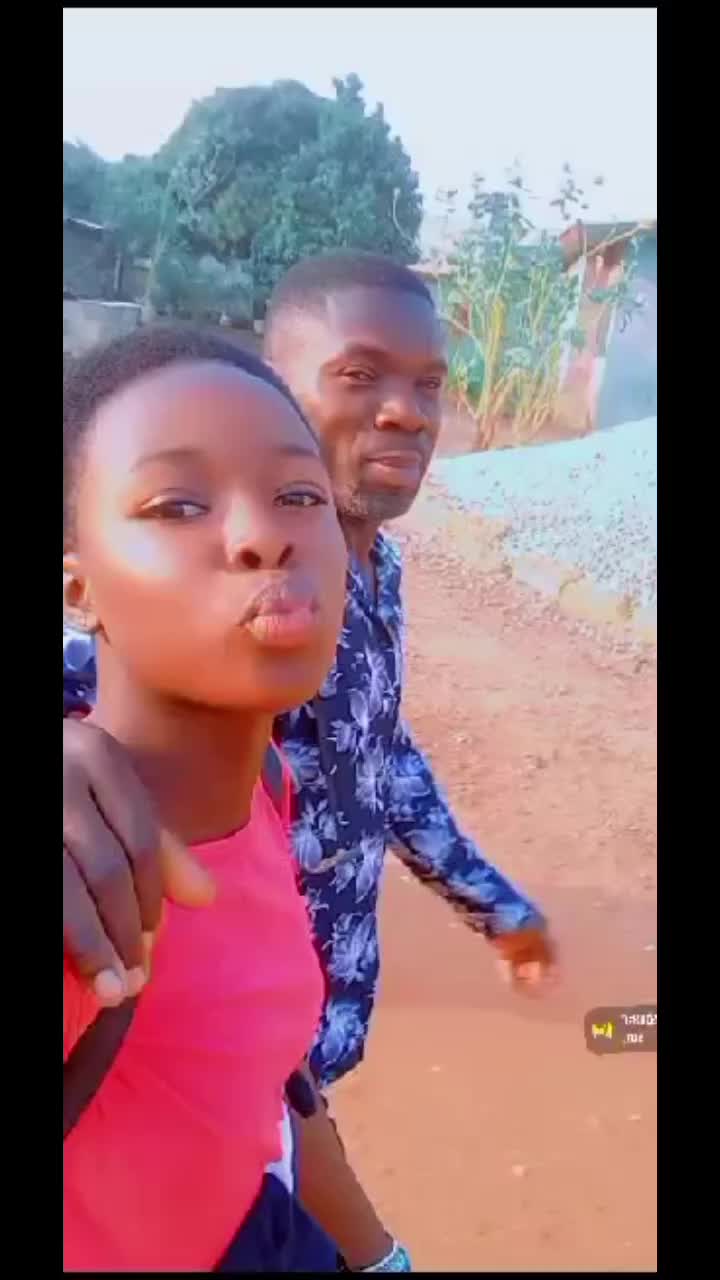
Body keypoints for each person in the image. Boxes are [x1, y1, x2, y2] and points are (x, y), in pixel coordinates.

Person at [64, 253, 555, 1258]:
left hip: (291, 1037)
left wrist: (494, 905)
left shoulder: (367, 578)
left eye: (429, 384)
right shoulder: (100, 870)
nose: (406, 412)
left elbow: (386, 759)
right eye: (361, 375)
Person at [62, 325, 388, 1271]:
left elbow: (272, 1087)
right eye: (177, 504)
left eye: (299, 495)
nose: (262, 535)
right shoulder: (85, 875)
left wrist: (381, 1260)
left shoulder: (266, 789)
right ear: (80, 590)